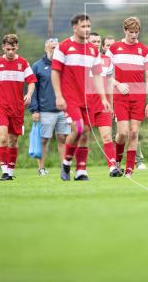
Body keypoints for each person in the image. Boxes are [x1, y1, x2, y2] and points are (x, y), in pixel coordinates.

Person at [51, 14, 111, 181]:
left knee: (85, 133)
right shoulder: (63, 47)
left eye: (88, 26)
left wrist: (104, 98)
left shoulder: (93, 50)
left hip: (88, 99)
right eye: (83, 26)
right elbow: (55, 73)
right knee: (78, 128)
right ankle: (66, 162)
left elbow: (98, 76)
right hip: (69, 98)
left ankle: (81, 171)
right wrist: (58, 96)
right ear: (74, 27)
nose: (87, 30)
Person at [106, 17, 148, 178]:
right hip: (120, 97)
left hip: (138, 98)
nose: (134, 35)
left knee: (134, 133)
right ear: (125, 30)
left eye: (136, 32)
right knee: (123, 133)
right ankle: (118, 162)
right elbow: (104, 74)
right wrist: (117, 84)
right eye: (131, 32)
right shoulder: (114, 48)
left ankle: (129, 170)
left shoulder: (145, 50)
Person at [0, 34, 37, 181]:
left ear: (17, 47)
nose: (10, 52)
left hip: (17, 108)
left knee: (13, 141)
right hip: (0, 106)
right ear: (3, 47)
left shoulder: (23, 63)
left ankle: (11, 171)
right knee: (2, 138)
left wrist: (30, 94)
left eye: (13, 49)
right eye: (8, 49)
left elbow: (32, 81)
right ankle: (5, 171)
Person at [28, 38, 71, 176]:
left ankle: (64, 168)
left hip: (63, 110)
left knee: (63, 139)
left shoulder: (65, 65)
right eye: (52, 48)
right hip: (45, 111)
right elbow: (33, 90)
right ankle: (41, 169)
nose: (55, 50)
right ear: (46, 48)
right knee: (44, 140)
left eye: (57, 48)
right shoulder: (37, 66)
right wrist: (34, 109)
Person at [89, 32, 121, 177]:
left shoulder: (107, 60)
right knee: (80, 136)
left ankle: (112, 168)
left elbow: (109, 85)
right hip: (84, 105)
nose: (95, 43)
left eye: (97, 41)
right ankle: (74, 166)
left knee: (107, 137)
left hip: (103, 105)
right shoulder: (81, 60)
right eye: (93, 41)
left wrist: (111, 104)